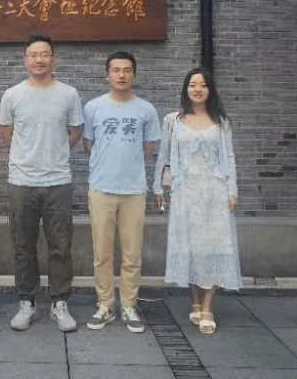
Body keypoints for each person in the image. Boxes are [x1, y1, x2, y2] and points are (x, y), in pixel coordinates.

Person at [0, 35, 83, 332]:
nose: (39, 59)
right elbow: (6, 132)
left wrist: (54, 152)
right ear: (25, 59)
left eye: (45, 54)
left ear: (53, 58)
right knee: (23, 245)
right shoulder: (12, 95)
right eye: (34, 54)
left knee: (60, 245)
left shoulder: (68, 94)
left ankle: (60, 303)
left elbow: (75, 132)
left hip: (58, 181)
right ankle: (27, 302)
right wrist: (28, 155)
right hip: (22, 182)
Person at [153, 67, 241, 335]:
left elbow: (229, 157)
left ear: (210, 90)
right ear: (186, 89)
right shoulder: (173, 120)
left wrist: (232, 190)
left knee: (214, 247)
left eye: (203, 85)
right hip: (185, 192)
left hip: (215, 192)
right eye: (193, 84)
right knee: (189, 247)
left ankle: (208, 306)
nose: (197, 89)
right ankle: (194, 301)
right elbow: (164, 154)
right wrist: (157, 186)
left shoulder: (221, 121)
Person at [83, 52, 161, 334]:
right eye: (115, 70)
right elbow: (88, 144)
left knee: (131, 254)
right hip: (101, 188)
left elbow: (148, 149)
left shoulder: (146, 110)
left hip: (133, 190)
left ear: (134, 75)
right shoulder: (93, 107)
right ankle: (105, 304)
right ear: (107, 75)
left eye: (127, 70)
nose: (121, 75)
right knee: (102, 253)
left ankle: (129, 304)